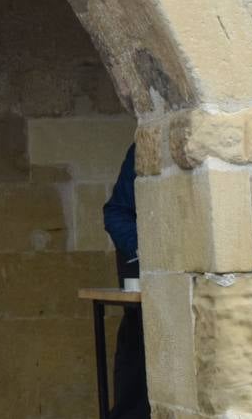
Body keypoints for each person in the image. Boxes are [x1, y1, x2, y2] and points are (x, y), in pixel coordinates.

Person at [103, 144, 149, 419]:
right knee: (134, 392)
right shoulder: (142, 149)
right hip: (148, 300)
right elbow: (116, 213)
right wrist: (145, 251)